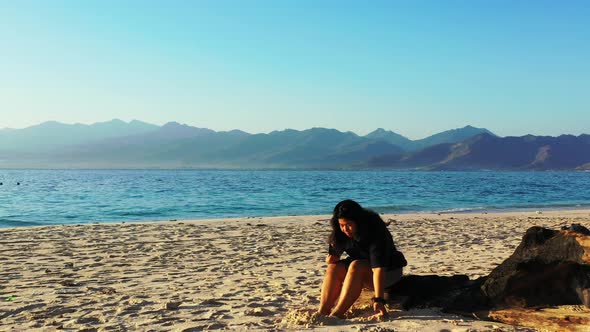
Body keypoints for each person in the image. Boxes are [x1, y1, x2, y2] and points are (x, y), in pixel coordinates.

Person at [318, 199, 407, 318]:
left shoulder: (374, 229)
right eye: (342, 225)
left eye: (349, 224)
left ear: (358, 221)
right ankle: (323, 311)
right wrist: (332, 255)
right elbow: (333, 259)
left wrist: (379, 300)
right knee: (334, 267)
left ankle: (337, 314)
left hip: (388, 272)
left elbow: (378, 269)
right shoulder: (341, 231)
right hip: (362, 265)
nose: (345, 229)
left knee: (356, 265)